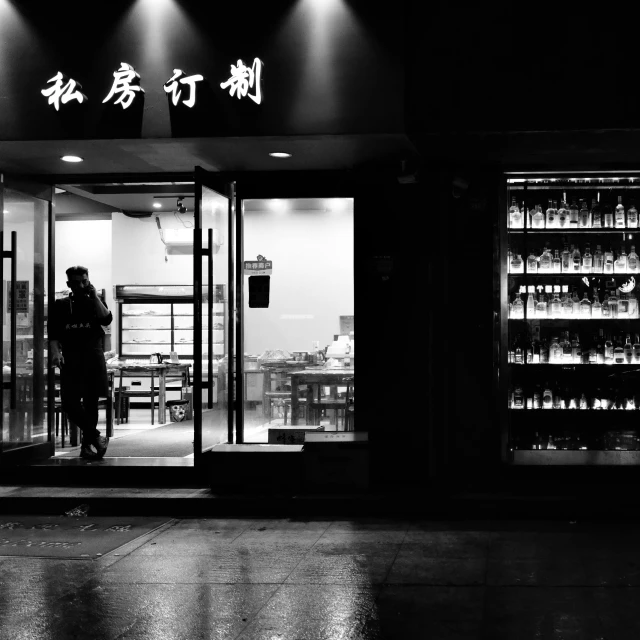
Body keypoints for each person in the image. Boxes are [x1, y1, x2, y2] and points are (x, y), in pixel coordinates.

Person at [48, 266, 112, 460]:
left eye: (84, 280)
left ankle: (87, 447)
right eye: (76, 282)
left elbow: (106, 319)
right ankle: (95, 436)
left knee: (91, 403)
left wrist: (94, 297)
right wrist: (55, 353)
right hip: (71, 359)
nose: (82, 285)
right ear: (69, 284)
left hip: (93, 358)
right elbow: (53, 334)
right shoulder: (60, 304)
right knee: (69, 402)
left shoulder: (95, 301)